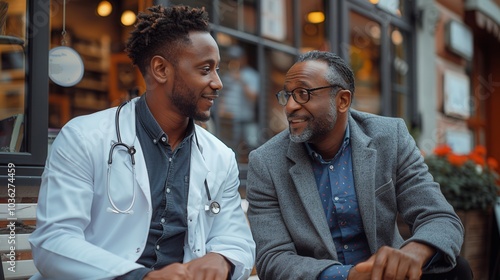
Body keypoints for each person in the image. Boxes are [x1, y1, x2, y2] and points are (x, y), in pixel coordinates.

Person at [29, 5, 255, 280]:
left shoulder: (220, 156)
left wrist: (222, 260)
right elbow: (53, 242)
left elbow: (236, 240)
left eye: (217, 69)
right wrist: (141, 277)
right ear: (161, 69)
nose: (218, 83)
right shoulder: (83, 138)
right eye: (205, 69)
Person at [245, 50, 473, 280]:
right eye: (288, 95)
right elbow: (272, 258)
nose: (290, 106)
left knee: (458, 270)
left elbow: (440, 218)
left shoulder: (389, 137)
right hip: (323, 277)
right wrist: (348, 276)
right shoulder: (265, 162)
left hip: (388, 276)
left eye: (303, 93)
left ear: (342, 100)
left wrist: (414, 253)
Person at [219, 45, 260, 152]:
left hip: (246, 119)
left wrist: (241, 80)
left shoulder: (251, 75)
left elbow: (254, 97)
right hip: (230, 120)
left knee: (251, 147)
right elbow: (221, 96)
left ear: (244, 58)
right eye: (233, 58)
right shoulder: (227, 75)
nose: (235, 61)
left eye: (237, 58)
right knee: (229, 148)